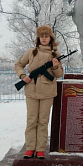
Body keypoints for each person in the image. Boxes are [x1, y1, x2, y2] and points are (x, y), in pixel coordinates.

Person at [14, 25, 63, 159]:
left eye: (46, 36)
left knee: (43, 121)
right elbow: (18, 65)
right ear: (38, 38)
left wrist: (55, 66)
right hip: (32, 91)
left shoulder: (55, 54)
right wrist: (23, 77)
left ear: (50, 38)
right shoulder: (32, 51)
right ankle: (30, 148)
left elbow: (59, 74)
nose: (44, 38)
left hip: (48, 92)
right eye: (42, 36)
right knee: (31, 120)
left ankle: (40, 149)